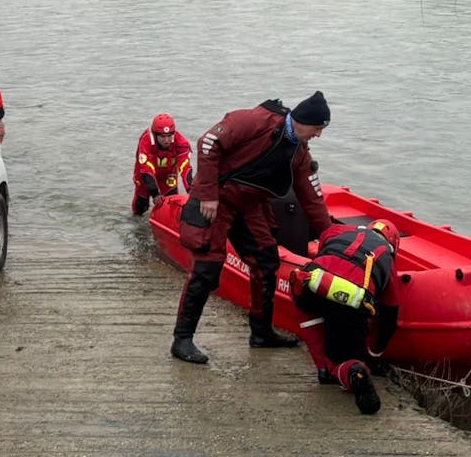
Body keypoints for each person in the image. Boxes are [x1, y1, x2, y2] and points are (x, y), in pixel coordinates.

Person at [171, 91, 334, 364]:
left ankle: (261, 333)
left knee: (267, 261)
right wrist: (208, 193)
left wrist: (330, 236)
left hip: (248, 204)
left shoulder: (299, 154)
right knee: (207, 268)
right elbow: (208, 143)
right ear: (303, 121)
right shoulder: (255, 121)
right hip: (216, 198)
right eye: (317, 128)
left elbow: (312, 198)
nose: (318, 135)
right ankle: (182, 339)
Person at [289, 218, 402, 415]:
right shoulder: (388, 259)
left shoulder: (340, 230)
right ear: (393, 244)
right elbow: (390, 311)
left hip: (315, 282)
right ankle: (353, 372)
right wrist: (376, 353)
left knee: (302, 295)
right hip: (352, 302)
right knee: (346, 360)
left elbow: (323, 245)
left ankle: (322, 367)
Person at [132, 113, 193, 216]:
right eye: (162, 137)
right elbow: (146, 170)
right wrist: (155, 194)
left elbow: (185, 168)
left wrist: (191, 190)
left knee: (172, 203)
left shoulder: (181, 143)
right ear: (156, 135)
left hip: (168, 174)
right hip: (145, 175)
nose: (166, 140)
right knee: (141, 206)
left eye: (169, 136)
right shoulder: (146, 141)